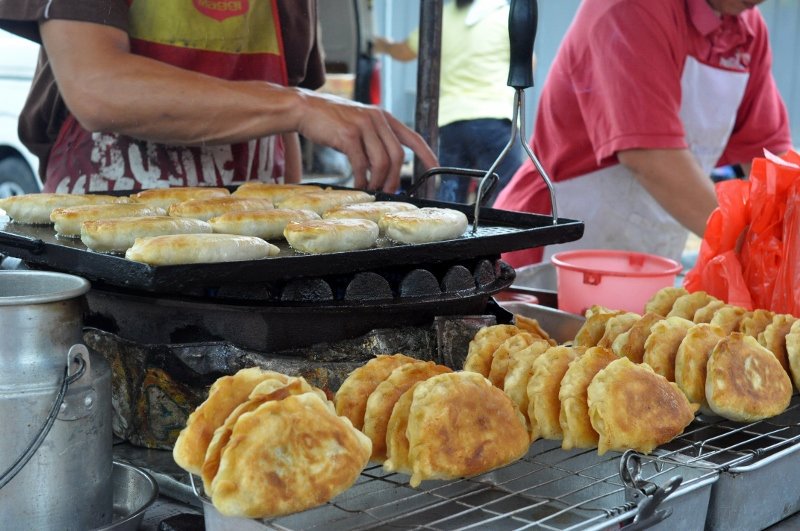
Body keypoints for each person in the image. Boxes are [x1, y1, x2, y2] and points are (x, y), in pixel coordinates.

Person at [0, 1, 438, 194]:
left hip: (254, 253)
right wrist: (298, 106)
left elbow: (284, 126)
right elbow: (96, 88)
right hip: (111, 252)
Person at [494, 0, 793, 268]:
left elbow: (771, 159)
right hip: (551, 251)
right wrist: (753, 245)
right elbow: (650, 156)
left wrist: (792, 231)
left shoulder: (748, 27)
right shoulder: (630, 7)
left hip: (648, 261)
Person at [374, 0, 522, 204]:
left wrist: (383, 45)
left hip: (452, 123)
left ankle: (449, 233)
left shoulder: (439, 19)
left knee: (450, 200)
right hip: (494, 121)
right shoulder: (505, 15)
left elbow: (404, 51)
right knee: (506, 197)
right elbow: (526, 62)